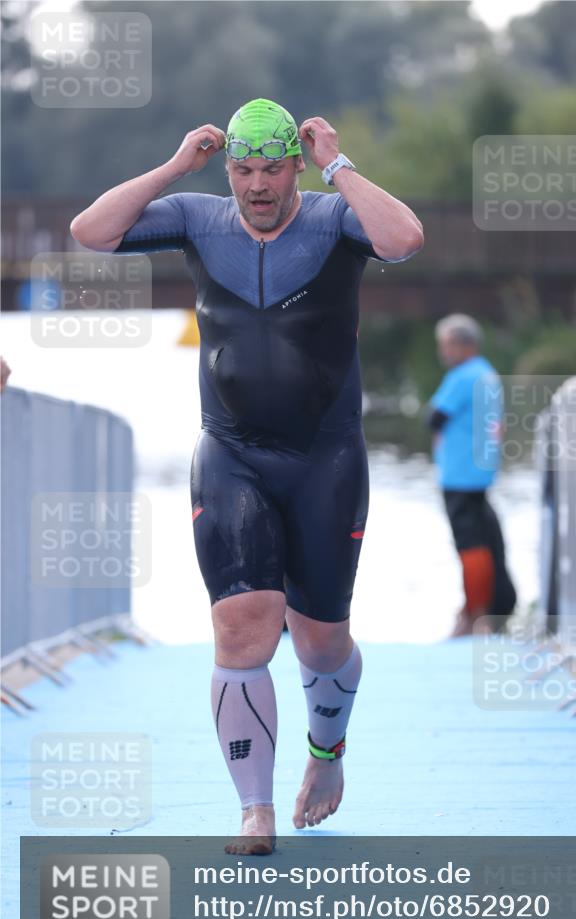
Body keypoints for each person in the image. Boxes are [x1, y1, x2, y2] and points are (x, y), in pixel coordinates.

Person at [70, 98, 423, 854]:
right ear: (226, 168)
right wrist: (175, 167)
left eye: (271, 169)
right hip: (231, 452)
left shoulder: (335, 219)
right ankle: (254, 810)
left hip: (325, 459)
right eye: (242, 170)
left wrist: (338, 164)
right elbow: (90, 232)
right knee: (242, 626)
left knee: (321, 642)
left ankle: (326, 753)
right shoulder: (197, 218)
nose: (257, 186)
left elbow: (403, 240)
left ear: (295, 165)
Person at [427, 314, 516, 638]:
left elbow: (434, 418)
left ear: (466, 344)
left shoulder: (463, 376)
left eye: (448, 345)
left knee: (470, 544)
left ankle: (476, 615)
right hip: (480, 473)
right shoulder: (486, 373)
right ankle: (487, 610)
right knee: (486, 540)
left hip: (460, 475)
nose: (443, 352)